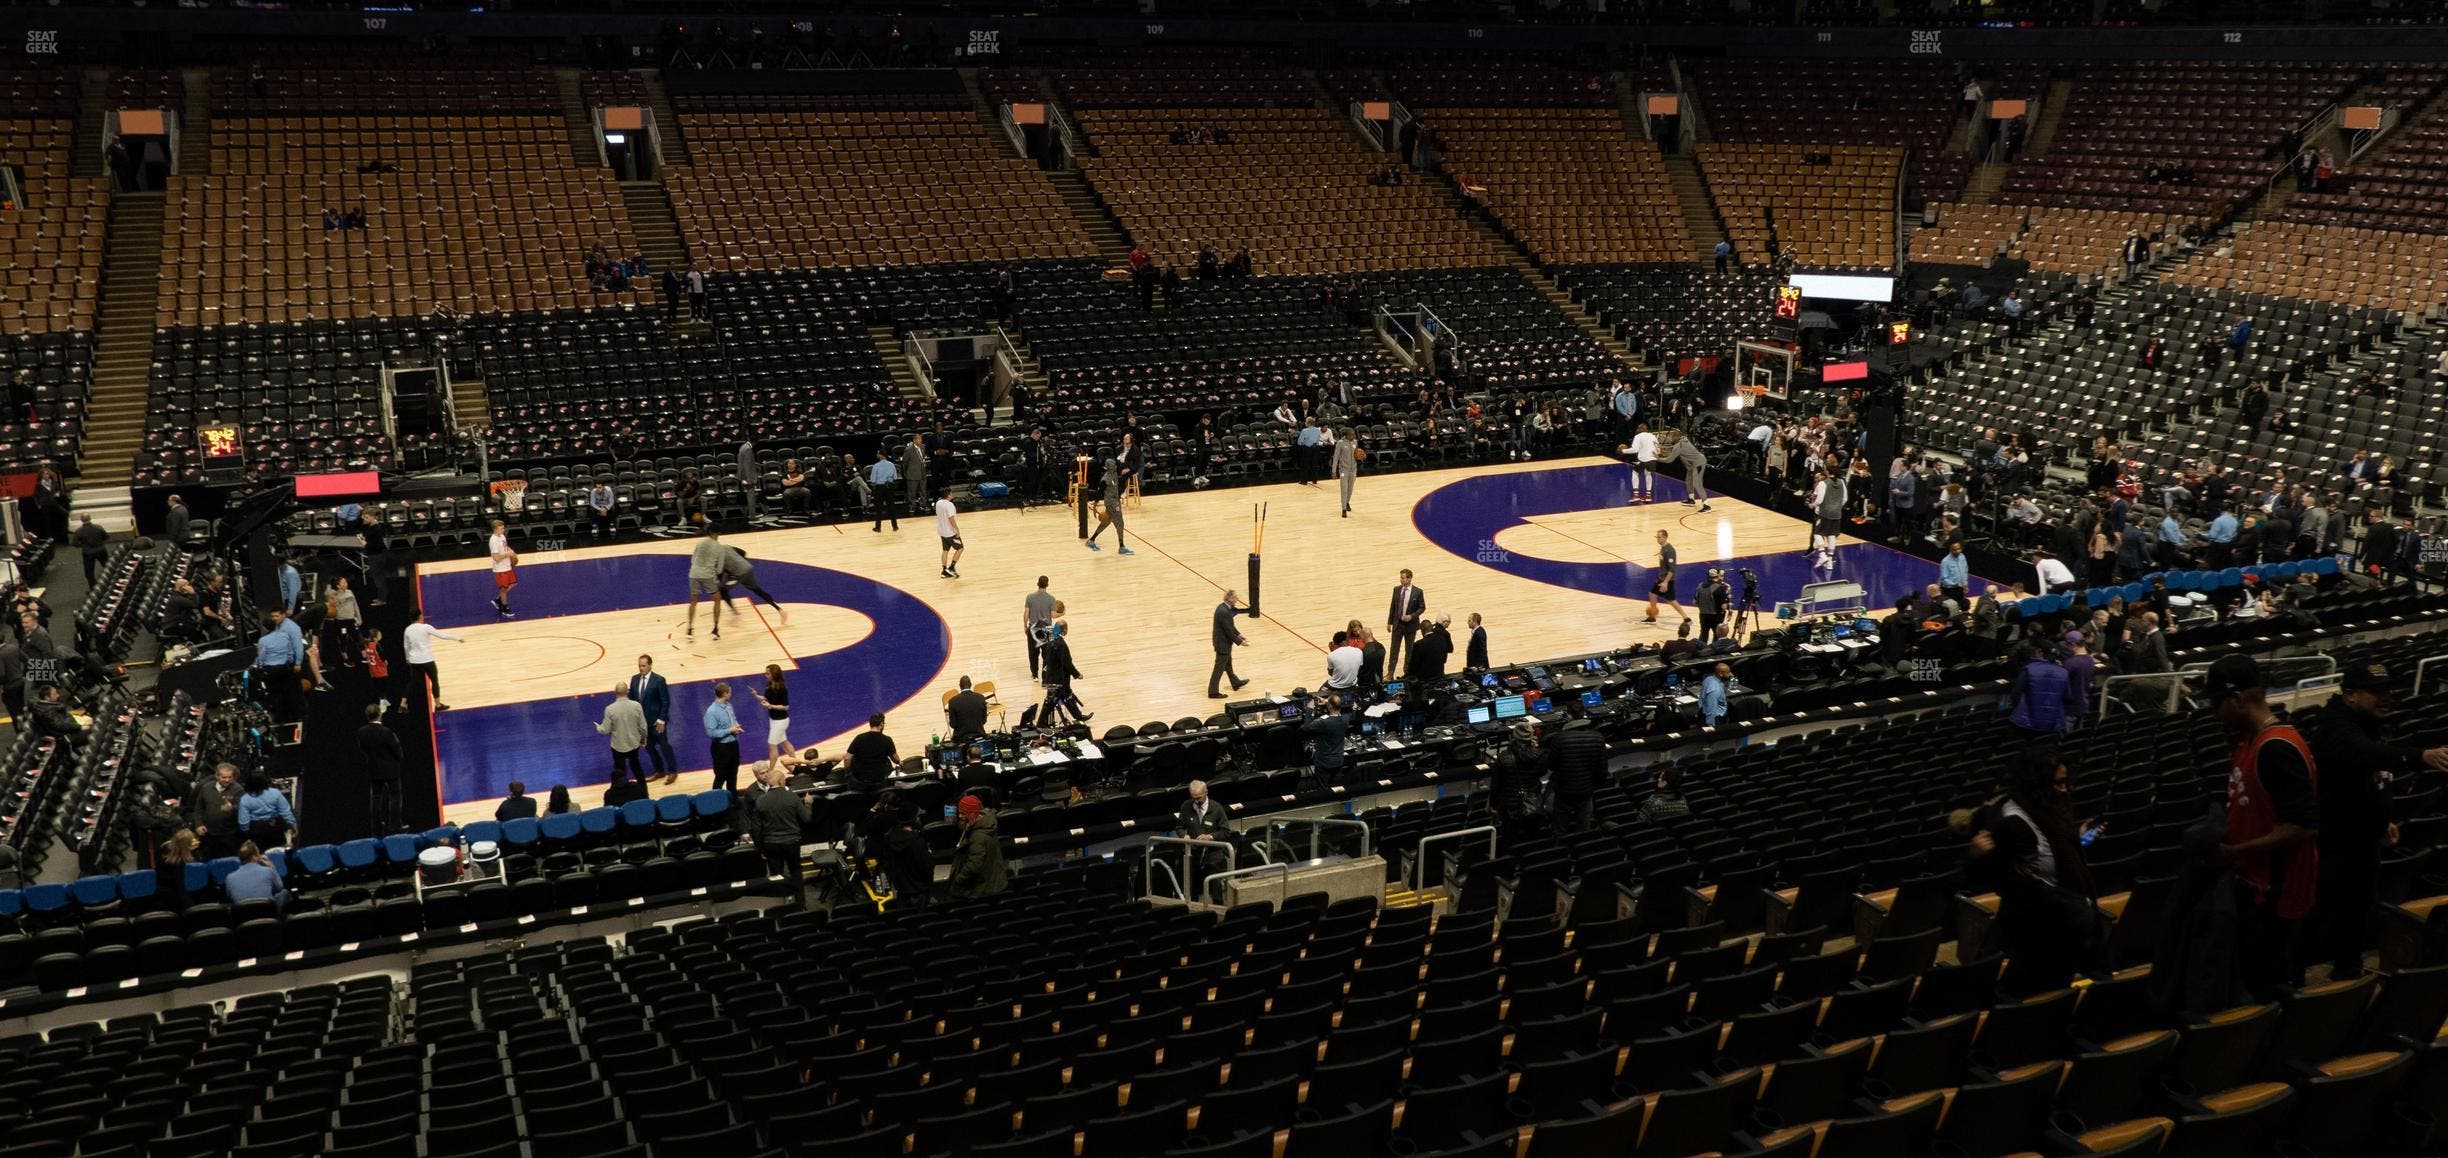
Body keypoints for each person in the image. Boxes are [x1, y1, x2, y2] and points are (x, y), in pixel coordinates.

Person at [2305, 661, 2448, 978]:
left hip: (2364, 836)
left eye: (2387, 690)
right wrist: (2420, 756)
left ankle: (2349, 969)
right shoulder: (2334, 727)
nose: (2386, 697)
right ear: (2351, 695)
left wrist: (2382, 818)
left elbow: (2369, 778)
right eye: (2376, 692)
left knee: (2357, 909)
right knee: (2334, 911)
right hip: (2337, 840)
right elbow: (2366, 754)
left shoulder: (2368, 722)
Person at [2200, 652, 2321, 1000]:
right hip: (2255, 885)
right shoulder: (2248, 741)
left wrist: (2234, 851)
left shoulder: (2276, 748)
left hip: (2275, 891)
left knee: (2268, 984)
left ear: (2238, 698)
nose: (2213, 712)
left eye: (2216, 703)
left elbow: (2302, 826)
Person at [1964, 751, 2101, 995]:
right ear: (2036, 784)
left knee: (2056, 989)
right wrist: (1977, 857)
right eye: (2058, 783)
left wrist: (2078, 839)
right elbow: (1996, 877)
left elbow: (2049, 853)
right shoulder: (2010, 821)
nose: (2064, 790)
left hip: (2064, 920)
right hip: (2036, 925)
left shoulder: (2049, 810)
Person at [749, 763, 811, 905]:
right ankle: (801, 903)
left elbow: (756, 829)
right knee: (796, 871)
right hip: (792, 842)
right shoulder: (792, 797)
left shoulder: (760, 801)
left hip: (771, 844)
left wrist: (761, 849)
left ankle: (782, 904)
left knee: (777, 875)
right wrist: (808, 804)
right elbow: (807, 819)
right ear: (781, 781)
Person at [1544, 712, 1606, 834]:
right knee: (1584, 827)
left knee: (1560, 827)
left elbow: (1551, 765)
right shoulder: (1598, 737)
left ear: (1570, 717)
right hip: (1586, 789)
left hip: (1564, 790)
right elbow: (1602, 769)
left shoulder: (1560, 738)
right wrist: (1593, 785)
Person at [947, 794, 1009, 899]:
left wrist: (959, 879)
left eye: (962, 813)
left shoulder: (977, 836)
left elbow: (974, 864)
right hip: (995, 878)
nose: (959, 816)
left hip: (986, 887)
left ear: (971, 815)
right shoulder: (987, 822)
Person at [1492, 722, 1545, 842]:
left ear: (1513, 737)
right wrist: (1534, 749)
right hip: (1532, 801)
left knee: (1511, 838)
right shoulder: (1539, 755)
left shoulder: (1503, 756)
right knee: (1531, 837)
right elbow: (1542, 773)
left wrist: (1493, 804)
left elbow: (1496, 784)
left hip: (1509, 803)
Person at [631, 655, 677, 785]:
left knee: (664, 746)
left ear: (650, 665)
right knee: (649, 748)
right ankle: (659, 770)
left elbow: (665, 701)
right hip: (642, 724)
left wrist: (661, 719)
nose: (641, 668)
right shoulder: (634, 679)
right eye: (639, 665)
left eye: (643, 665)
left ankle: (672, 771)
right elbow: (633, 700)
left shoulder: (659, 680)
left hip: (657, 723)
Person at [402, 608, 459, 712]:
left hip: (415, 661)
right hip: (427, 660)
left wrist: (407, 658)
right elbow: (442, 636)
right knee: (434, 681)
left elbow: (406, 646)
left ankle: (402, 704)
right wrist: (456, 638)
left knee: (412, 682)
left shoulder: (408, 630)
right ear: (420, 616)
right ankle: (437, 705)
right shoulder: (426, 627)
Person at [715, 543, 788, 624]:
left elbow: (720, 574)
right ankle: (780, 610)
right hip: (747, 568)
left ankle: (736, 615)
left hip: (738, 573)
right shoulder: (726, 546)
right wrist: (740, 563)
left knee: (722, 590)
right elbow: (743, 552)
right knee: (757, 590)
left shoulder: (715, 557)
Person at [358, 703, 403, 833]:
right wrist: (397, 759)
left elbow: (363, 749)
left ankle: (376, 827)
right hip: (390, 769)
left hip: (373, 769)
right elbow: (397, 750)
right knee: (395, 797)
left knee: (375, 797)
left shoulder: (361, 732)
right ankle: (395, 826)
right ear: (380, 715)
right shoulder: (386, 731)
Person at [596, 683, 649, 785]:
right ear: (628, 692)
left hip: (618, 746)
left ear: (615, 693)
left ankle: (622, 792)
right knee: (637, 768)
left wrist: (598, 727)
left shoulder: (610, 709)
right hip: (634, 744)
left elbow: (605, 730)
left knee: (620, 771)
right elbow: (643, 726)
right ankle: (644, 792)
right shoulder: (636, 706)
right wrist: (643, 740)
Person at [1037, 621, 1088, 726]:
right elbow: (1066, 662)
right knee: (1050, 701)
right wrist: (1077, 674)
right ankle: (1040, 724)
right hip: (1058, 678)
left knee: (1067, 696)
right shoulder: (1060, 643)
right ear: (1064, 630)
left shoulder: (1051, 638)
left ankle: (1079, 716)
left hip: (1050, 675)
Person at [191, 763, 242, 858]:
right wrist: (198, 824)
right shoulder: (206, 788)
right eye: (224, 777)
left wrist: (233, 807)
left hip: (228, 834)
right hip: (208, 834)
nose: (227, 780)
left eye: (230, 777)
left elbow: (243, 809)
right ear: (217, 776)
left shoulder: (238, 790)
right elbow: (199, 808)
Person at [750, 663, 795, 772]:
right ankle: (795, 764)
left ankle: (770, 771)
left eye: (767, 673)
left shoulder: (782, 688)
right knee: (784, 742)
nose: (765, 675)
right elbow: (766, 698)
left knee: (772, 745)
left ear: (773, 674)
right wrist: (756, 695)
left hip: (781, 721)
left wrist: (770, 706)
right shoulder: (770, 685)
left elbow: (785, 706)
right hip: (774, 720)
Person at [703, 681, 745, 793]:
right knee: (721, 776)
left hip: (733, 744)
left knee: (733, 774)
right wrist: (730, 730)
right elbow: (711, 732)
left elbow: (733, 719)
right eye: (730, 692)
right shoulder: (711, 712)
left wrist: (736, 726)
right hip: (721, 748)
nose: (731, 694)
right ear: (725, 694)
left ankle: (733, 798)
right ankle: (715, 799)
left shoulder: (728, 705)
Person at [237, 769, 296, 848]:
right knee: (278, 852)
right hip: (275, 827)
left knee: (260, 855)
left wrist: (247, 836)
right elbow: (285, 812)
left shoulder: (245, 799)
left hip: (256, 831)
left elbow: (243, 822)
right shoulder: (275, 793)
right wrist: (293, 825)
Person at [1302, 691, 1351, 787]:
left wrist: (1309, 709)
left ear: (1330, 707)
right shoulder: (1346, 719)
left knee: (1323, 790)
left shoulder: (1324, 723)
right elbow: (1340, 712)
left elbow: (1306, 727)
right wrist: (1327, 704)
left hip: (1324, 763)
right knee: (1336, 788)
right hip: (1338, 761)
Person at [1084, 455, 1131, 554]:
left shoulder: (1114, 474)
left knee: (1106, 522)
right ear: (1109, 466)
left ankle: (1091, 540)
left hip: (1116, 501)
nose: (1115, 466)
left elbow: (1119, 481)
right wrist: (1095, 504)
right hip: (1111, 503)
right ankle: (1121, 547)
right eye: (1113, 465)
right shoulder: (1105, 479)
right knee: (1120, 524)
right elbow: (1100, 492)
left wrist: (1126, 473)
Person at [1209, 588, 1250, 699]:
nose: (1237, 599)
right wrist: (1240, 642)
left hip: (1223, 642)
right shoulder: (1223, 611)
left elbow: (1230, 626)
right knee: (1219, 668)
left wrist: (1239, 634)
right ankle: (1213, 692)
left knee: (1228, 665)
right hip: (1222, 644)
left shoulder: (1224, 608)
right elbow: (1228, 631)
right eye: (1236, 597)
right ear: (1230, 598)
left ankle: (1235, 682)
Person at [224, 842, 288, 912]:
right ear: (254, 857)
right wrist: (272, 868)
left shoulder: (229, 877)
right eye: (258, 854)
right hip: (267, 912)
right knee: (284, 892)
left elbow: (230, 897)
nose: (260, 856)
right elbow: (279, 888)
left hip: (242, 915)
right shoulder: (268, 871)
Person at [1385, 568, 1425, 674]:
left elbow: (1422, 607)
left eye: (1403, 578)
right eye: (1400, 578)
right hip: (1398, 624)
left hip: (1411, 626)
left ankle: (1407, 672)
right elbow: (1393, 606)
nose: (1401, 580)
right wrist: (1389, 622)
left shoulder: (1418, 592)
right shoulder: (1396, 589)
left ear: (1410, 578)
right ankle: (1390, 673)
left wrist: (1412, 616)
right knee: (1394, 650)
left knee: (1409, 651)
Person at [846, 712, 898, 790]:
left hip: (861, 783)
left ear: (870, 724)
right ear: (881, 724)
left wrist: (848, 774)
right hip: (880, 782)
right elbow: (896, 760)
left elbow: (847, 759)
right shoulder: (887, 740)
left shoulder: (859, 738)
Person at [1666, 435, 1711, 512]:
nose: (1671, 438)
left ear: (1678, 437)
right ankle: (1691, 500)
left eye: (1673, 436)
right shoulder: (1680, 444)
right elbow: (1672, 447)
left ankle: (1706, 506)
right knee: (1688, 481)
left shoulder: (1680, 446)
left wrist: (1656, 458)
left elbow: (1669, 459)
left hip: (1699, 463)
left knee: (1697, 484)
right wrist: (1661, 447)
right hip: (1692, 465)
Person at [1025, 575, 1057, 679]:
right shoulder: (1051, 599)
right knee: (1047, 655)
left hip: (1033, 628)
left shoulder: (1029, 597)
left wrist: (1025, 626)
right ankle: (1045, 676)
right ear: (1047, 585)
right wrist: (1063, 613)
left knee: (1033, 654)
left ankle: (1035, 675)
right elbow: (1053, 615)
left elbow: (1026, 613)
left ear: (1037, 583)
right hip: (1046, 629)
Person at [1622, 422, 1660, 503]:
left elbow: (1634, 449)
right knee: (1648, 474)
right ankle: (1648, 496)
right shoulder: (1653, 436)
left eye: (1638, 428)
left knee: (1635, 472)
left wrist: (1623, 451)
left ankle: (1636, 495)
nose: (1637, 429)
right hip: (1653, 459)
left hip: (1643, 459)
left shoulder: (1638, 436)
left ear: (1641, 429)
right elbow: (1658, 450)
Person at [486, 519, 517, 618]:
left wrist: (510, 551)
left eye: (503, 528)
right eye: (501, 528)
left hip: (507, 565)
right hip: (500, 569)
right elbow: (496, 558)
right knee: (503, 589)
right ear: (495, 529)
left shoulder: (502, 536)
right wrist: (507, 554)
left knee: (513, 583)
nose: (503, 530)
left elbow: (505, 548)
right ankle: (505, 607)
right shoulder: (493, 540)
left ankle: (497, 600)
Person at [1409, 613, 1453, 680]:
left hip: (1424, 679)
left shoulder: (1418, 644)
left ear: (1422, 630)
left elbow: (1414, 665)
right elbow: (1445, 657)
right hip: (1439, 675)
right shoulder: (1442, 640)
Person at [865, 448, 901, 532]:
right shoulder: (892, 464)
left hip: (880, 488)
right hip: (890, 487)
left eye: (878, 453)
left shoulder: (876, 466)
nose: (877, 455)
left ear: (881, 455)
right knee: (891, 507)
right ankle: (895, 526)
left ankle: (878, 527)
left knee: (879, 508)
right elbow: (895, 477)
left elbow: (873, 479)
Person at [945, 676, 989, 740]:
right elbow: (984, 721)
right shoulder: (981, 698)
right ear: (971, 685)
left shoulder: (952, 701)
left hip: (960, 738)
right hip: (979, 736)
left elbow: (953, 724)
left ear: (960, 686)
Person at [1696, 569, 1732, 644]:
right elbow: (1723, 607)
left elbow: (1695, 601)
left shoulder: (1700, 585)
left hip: (1703, 615)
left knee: (1703, 634)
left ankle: (1700, 652)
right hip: (1716, 617)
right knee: (1717, 636)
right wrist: (1729, 606)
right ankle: (1714, 652)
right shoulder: (1721, 588)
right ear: (1717, 576)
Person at [934, 488, 963, 579]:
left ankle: (944, 571)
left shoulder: (938, 503)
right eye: (951, 493)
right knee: (960, 548)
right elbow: (951, 518)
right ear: (949, 495)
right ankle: (951, 567)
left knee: (945, 550)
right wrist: (957, 529)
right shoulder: (949, 505)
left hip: (942, 531)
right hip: (950, 533)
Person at [71, 515, 107, 587]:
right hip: (101, 550)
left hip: (88, 553)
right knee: (108, 566)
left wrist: (83, 545)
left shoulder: (79, 531)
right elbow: (106, 536)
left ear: (81, 520)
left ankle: (94, 588)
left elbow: (74, 543)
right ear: (90, 518)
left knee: (89, 572)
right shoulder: (98, 527)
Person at [1333, 426, 1359, 517]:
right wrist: (1333, 471)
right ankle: (1343, 509)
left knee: (1350, 489)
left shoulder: (1355, 442)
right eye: (1351, 434)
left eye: (1354, 434)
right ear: (1347, 435)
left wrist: (1361, 457)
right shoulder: (1340, 443)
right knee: (1344, 490)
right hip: (1344, 470)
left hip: (1353, 470)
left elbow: (1356, 455)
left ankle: (1347, 502)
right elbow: (1336, 457)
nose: (1353, 436)